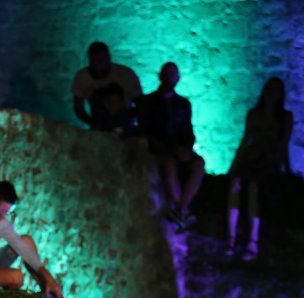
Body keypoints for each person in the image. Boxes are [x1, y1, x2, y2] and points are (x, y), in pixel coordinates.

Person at [227, 78, 293, 260]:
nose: (272, 93)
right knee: (236, 186)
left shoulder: (285, 117)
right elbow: (245, 140)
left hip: (268, 161)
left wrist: (287, 170)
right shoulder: (253, 114)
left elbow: (283, 145)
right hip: (250, 159)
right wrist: (233, 166)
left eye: (276, 90)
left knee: (254, 188)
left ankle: (252, 241)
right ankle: (231, 239)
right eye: (269, 89)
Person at [137, 62, 205, 231]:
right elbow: (145, 130)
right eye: (167, 74)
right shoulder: (149, 102)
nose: (170, 78)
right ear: (160, 76)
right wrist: (165, 147)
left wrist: (186, 148)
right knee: (169, 164)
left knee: (199, 164)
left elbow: (188, 130)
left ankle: (181, 208)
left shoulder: (183, 104)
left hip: (180, 148)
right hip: (160, 148)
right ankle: (182, 210)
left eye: (173, 75)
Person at [72, 41, 142, 132]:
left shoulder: (125, 74)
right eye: (94, 61)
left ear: (108, 58)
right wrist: (94, 123)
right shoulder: (83, 76)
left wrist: (128, 119)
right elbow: (78, 107)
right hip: (99, 124)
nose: (98, 65)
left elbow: (140, 102)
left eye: (101, 60)